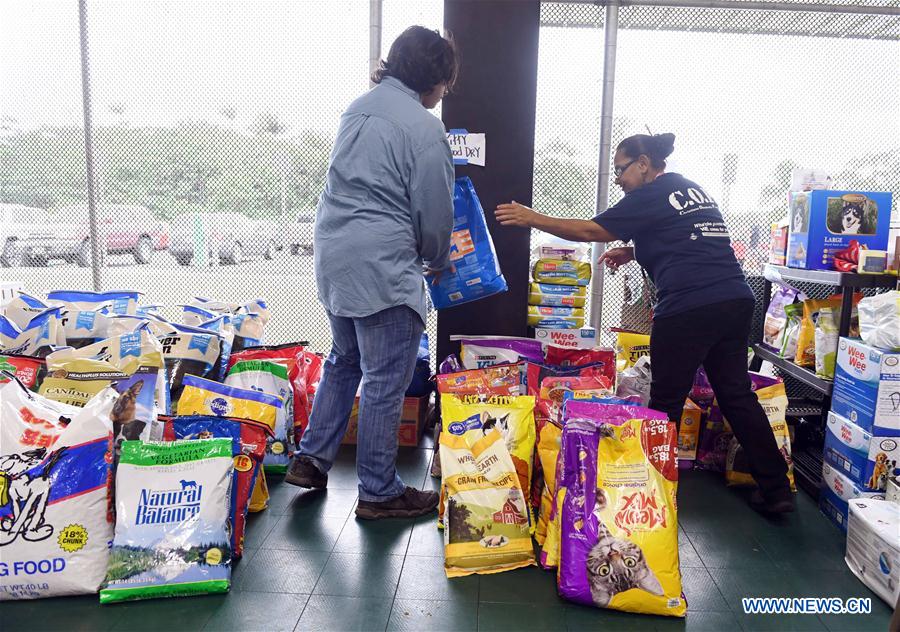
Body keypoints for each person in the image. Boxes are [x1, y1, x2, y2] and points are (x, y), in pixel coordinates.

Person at [495, 133, 794, 514]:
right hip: (734, 300)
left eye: (621, 169)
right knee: (737, 395)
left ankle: (649, 497)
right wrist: (634, 252)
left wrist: (531, 217)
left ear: (643, 164)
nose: (619, 179)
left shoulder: (649, 194)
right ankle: (777, 491)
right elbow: (687, 240)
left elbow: (592, 231)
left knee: (666, 404)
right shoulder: (690, 189)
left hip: (688, 306)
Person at [284, 26, 458, 520]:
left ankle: (311, 460)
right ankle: (379, 491)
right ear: (434, 78)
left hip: (335, 254)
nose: (444, 91)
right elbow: (434, 210)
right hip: (382, 264)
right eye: (445, 82)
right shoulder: (424, 128)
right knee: (385, 379)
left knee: (345, 360)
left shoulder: (357, 108)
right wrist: (438, 258)